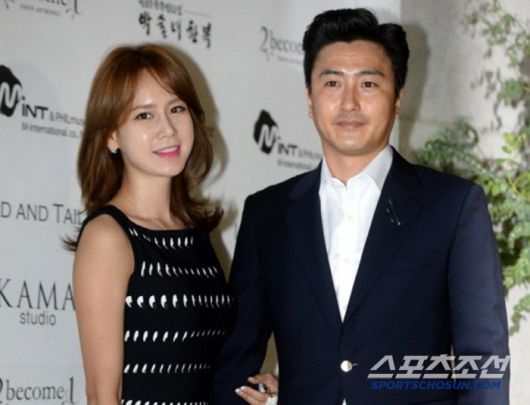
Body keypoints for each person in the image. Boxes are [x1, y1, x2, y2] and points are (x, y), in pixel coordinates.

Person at [212, 8, 510, 405]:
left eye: (368, 84)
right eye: (332, 83)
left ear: (397, 99)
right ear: (309, 98)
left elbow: (483, 361)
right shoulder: (268, 214)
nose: (349, 102)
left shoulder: (453, 206)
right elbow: (237, 358)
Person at [69, 43, 271, 405]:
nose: (167, 128)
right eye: (144, 115)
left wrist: (256, 390)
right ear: (111, 135)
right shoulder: (108, 236)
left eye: (176, 109)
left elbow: (208, 369)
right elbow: (102, 395)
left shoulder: (194, 234)